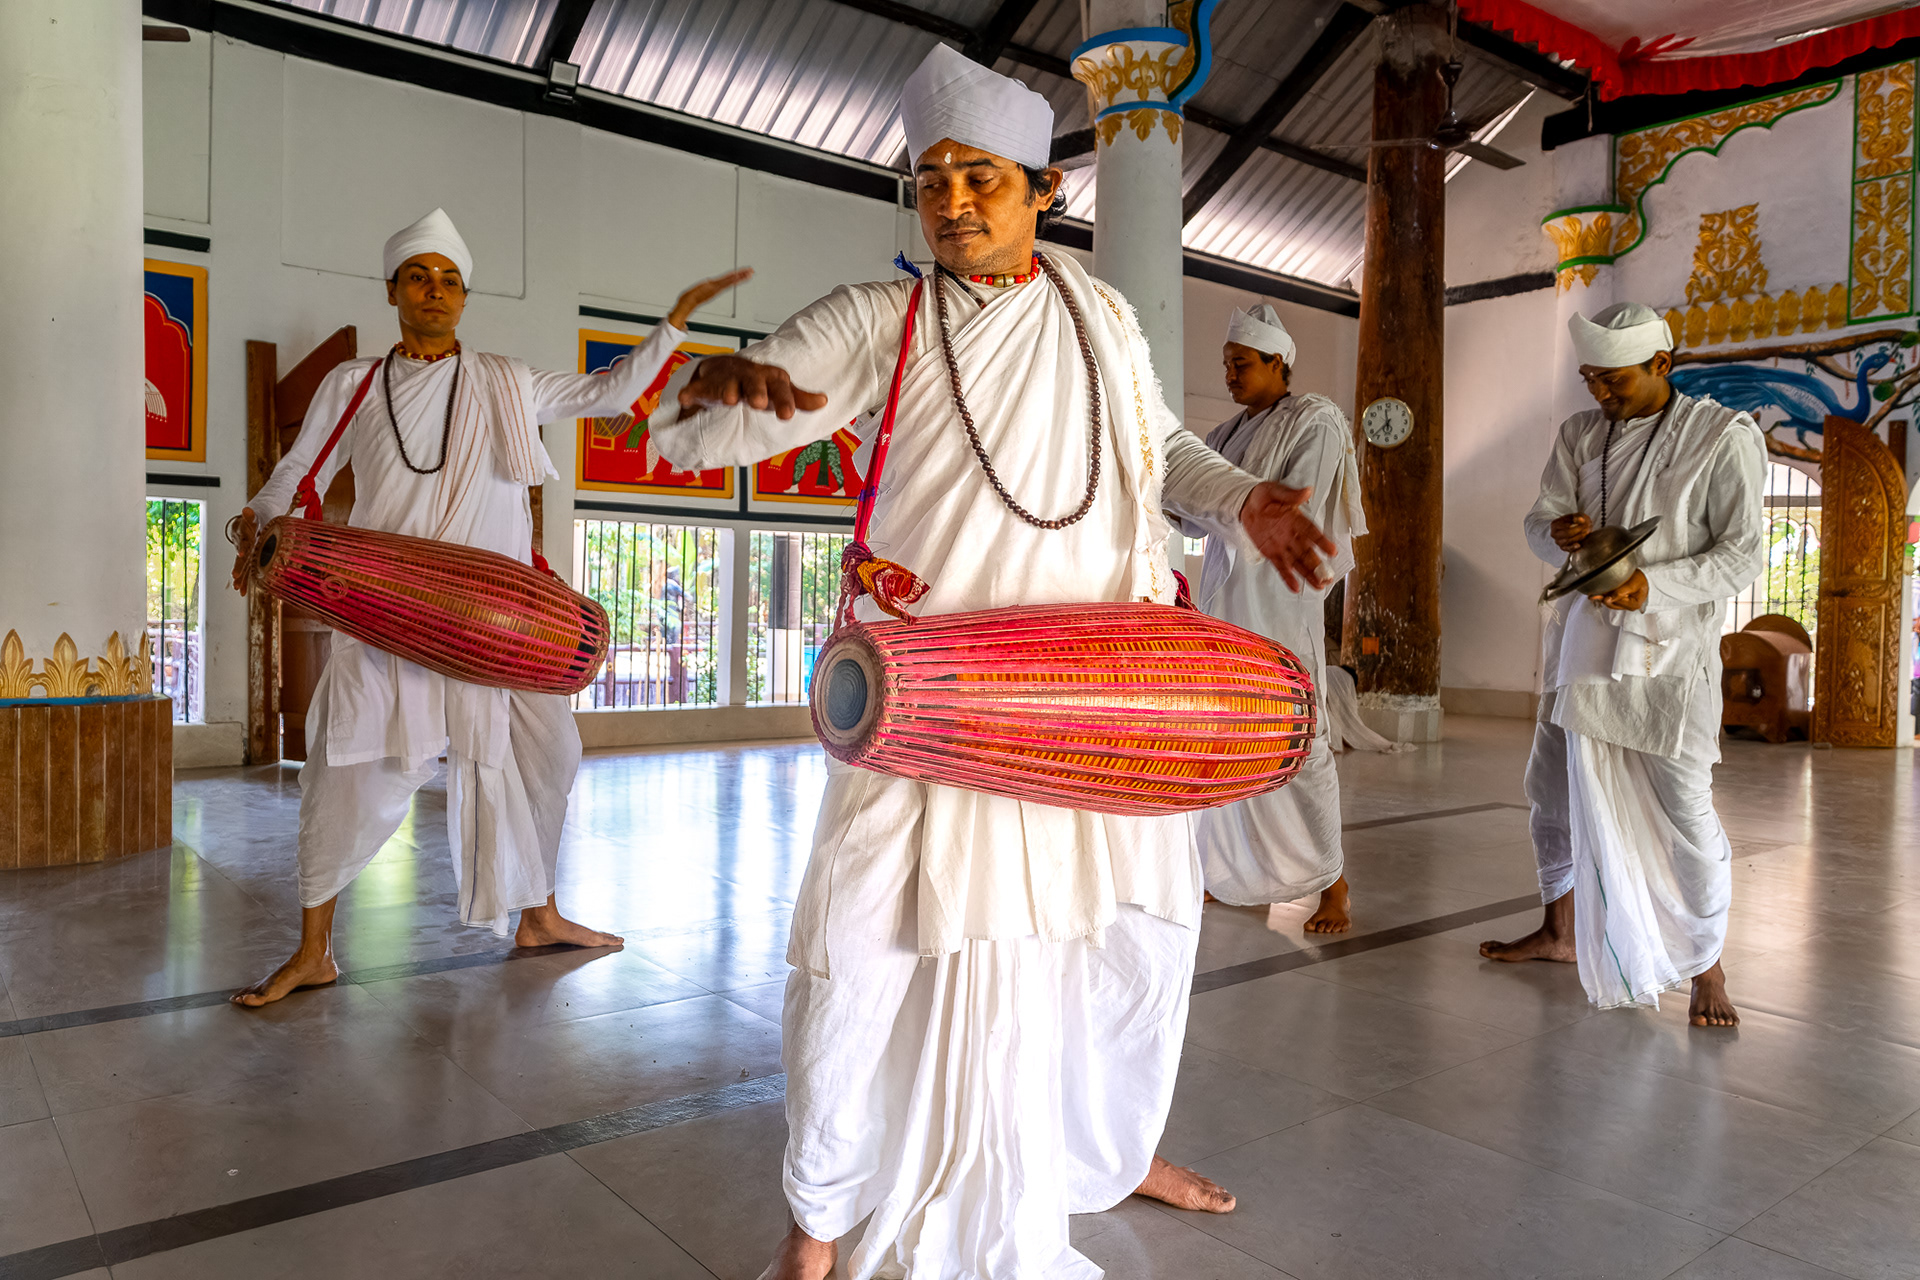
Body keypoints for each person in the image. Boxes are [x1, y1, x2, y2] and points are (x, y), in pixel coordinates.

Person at [650, 44, 1334, 1280]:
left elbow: (1162, 447)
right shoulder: (881, 317)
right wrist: (722, 390)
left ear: (1044, 192)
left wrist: (1244, 503)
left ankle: (1104, 1152)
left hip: (1092, 698)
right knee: (860, 959)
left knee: (1125, 942)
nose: (954, 201)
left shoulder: (1102, 312)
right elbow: (760, 400)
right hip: (933, 706)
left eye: (982, 179)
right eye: (932, 181)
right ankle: (817, 1224)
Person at [228, 208, 748, 1007]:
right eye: (418, 276)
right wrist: (258, 519)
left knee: (548, 757)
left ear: (465, 297)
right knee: (341, 772)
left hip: (498, 624)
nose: (434, 290)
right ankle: (313, 951)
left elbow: (609, 389)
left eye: (448, 280)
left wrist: (672, 324)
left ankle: (537, 915)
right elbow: (295, 464)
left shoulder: (508, 379)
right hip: (386, 611)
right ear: (393, 290)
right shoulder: (352, 382)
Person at [1479, 302, 1766, 1029]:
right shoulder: (1581, 433)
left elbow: (1742, 554)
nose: (1601, 395)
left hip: (1666, 657)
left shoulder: (1719, 437)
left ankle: (1707, 964)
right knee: (1552, 790)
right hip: (1580, 646)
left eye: (1616, 382)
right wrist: (1558, 532)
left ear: (1662, 366)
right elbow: (1538, 520)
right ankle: (1558, 929)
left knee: (1685, 813)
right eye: (1591, 381)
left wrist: (1653, 588)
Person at [1183, 305, 1367, 932]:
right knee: (1227, 740)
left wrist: (1225, 505)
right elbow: (1193, 510)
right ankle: (1235, 872)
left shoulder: (1315, 418)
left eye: (1241, 364)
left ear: (1277, 362)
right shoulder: (1223, 435)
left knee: (1299, 742)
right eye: (1226, 365)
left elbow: (1299, 496)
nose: (1230, 375)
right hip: (1223, 609)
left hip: (1281, 603)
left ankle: (1334, 885)